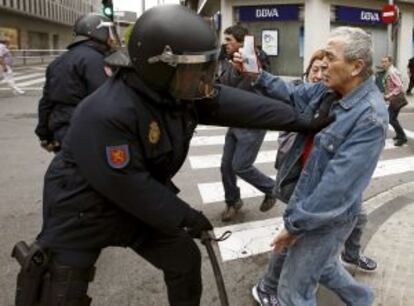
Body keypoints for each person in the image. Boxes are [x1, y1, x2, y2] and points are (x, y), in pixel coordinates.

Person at [12, 5, 334, 306]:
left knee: (184, 259)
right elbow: (128, 184)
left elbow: (237, 105)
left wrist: (301, 119)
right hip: (81, 208)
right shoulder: (107, 111)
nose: (203, 80)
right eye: (195, 70)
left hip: (139, 200)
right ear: (160, 68)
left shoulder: (179, 91)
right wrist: (184, 216)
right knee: (60, 289)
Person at [238, 26, 388, 306]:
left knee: (293, 293)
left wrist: (295, 226)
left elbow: (336, 187)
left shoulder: (370, 117)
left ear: (356, 67)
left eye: (330, 58)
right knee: (325, 265)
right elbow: (294, 94)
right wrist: (257, 75)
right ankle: (363, 299)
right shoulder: (328, 91)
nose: (322, 64)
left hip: (327, 216)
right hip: (307, 200)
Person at [276, 49, 378, 275]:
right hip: (307, 177)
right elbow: (286, 141)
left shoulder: (341, 97)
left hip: (334, 179)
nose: (322, 73)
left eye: (327, 67)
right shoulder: (308, 95)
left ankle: (349, 257)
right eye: (317, 69)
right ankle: (270, 284)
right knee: (295, 231)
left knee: (357, 218)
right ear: (308, 72)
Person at [34, 13, 120, 153]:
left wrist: (44, 135)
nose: (111, 38)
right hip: (89, 132)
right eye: (109, 32)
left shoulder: (57, 62)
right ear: (99, 31)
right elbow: (107, 101)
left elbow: (46, 103)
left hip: (61, 133)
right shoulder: (98, 61)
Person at [219, 25, 277, 222]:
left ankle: (271, 188)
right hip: (235, 121)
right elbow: (225, 84)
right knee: (226, 166)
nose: (225, 44)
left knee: (241, 166)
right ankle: (233, 201)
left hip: (253, 122)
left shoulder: (257, 59)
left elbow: (258, 80)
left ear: (242, 42)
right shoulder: (230, 59)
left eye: (229, 40)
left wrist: (250, 58)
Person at [382, 56, 408, 147]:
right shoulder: (390, 71)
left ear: (390, 62)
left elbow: (399, 86)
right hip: (394, 99)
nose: (383, 64)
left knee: (391, 118)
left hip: (396, 99)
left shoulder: (392, 72)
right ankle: (399, 135)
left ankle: (402, 137)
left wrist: (389, 95)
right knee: (393, 118)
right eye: (382, 62)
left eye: (385, 62)